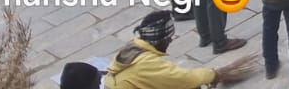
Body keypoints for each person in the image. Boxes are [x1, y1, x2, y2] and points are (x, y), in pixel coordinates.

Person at [102, 11, 251, 88]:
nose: (171, 41)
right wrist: (213, 75)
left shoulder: (133, 47)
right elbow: (183, 79)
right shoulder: (147, 63)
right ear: (160, 40)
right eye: (168, 38)